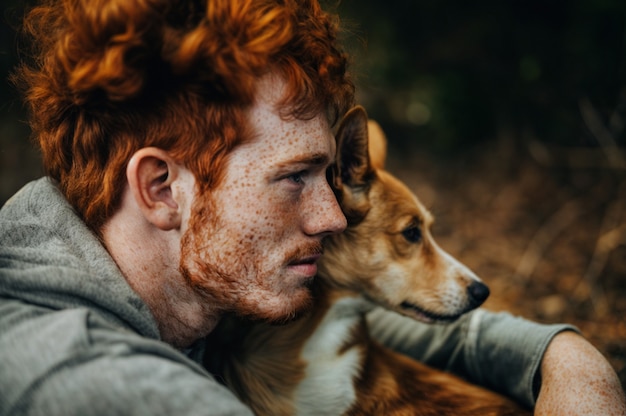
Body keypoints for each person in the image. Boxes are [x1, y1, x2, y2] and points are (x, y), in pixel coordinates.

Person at [0, 0, 624, 414]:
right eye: (295, 177)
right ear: (162, 189)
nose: (332, 216)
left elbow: (389, 323)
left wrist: (566, 358)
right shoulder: (85, 380)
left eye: (326, 173)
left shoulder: (203, 290)